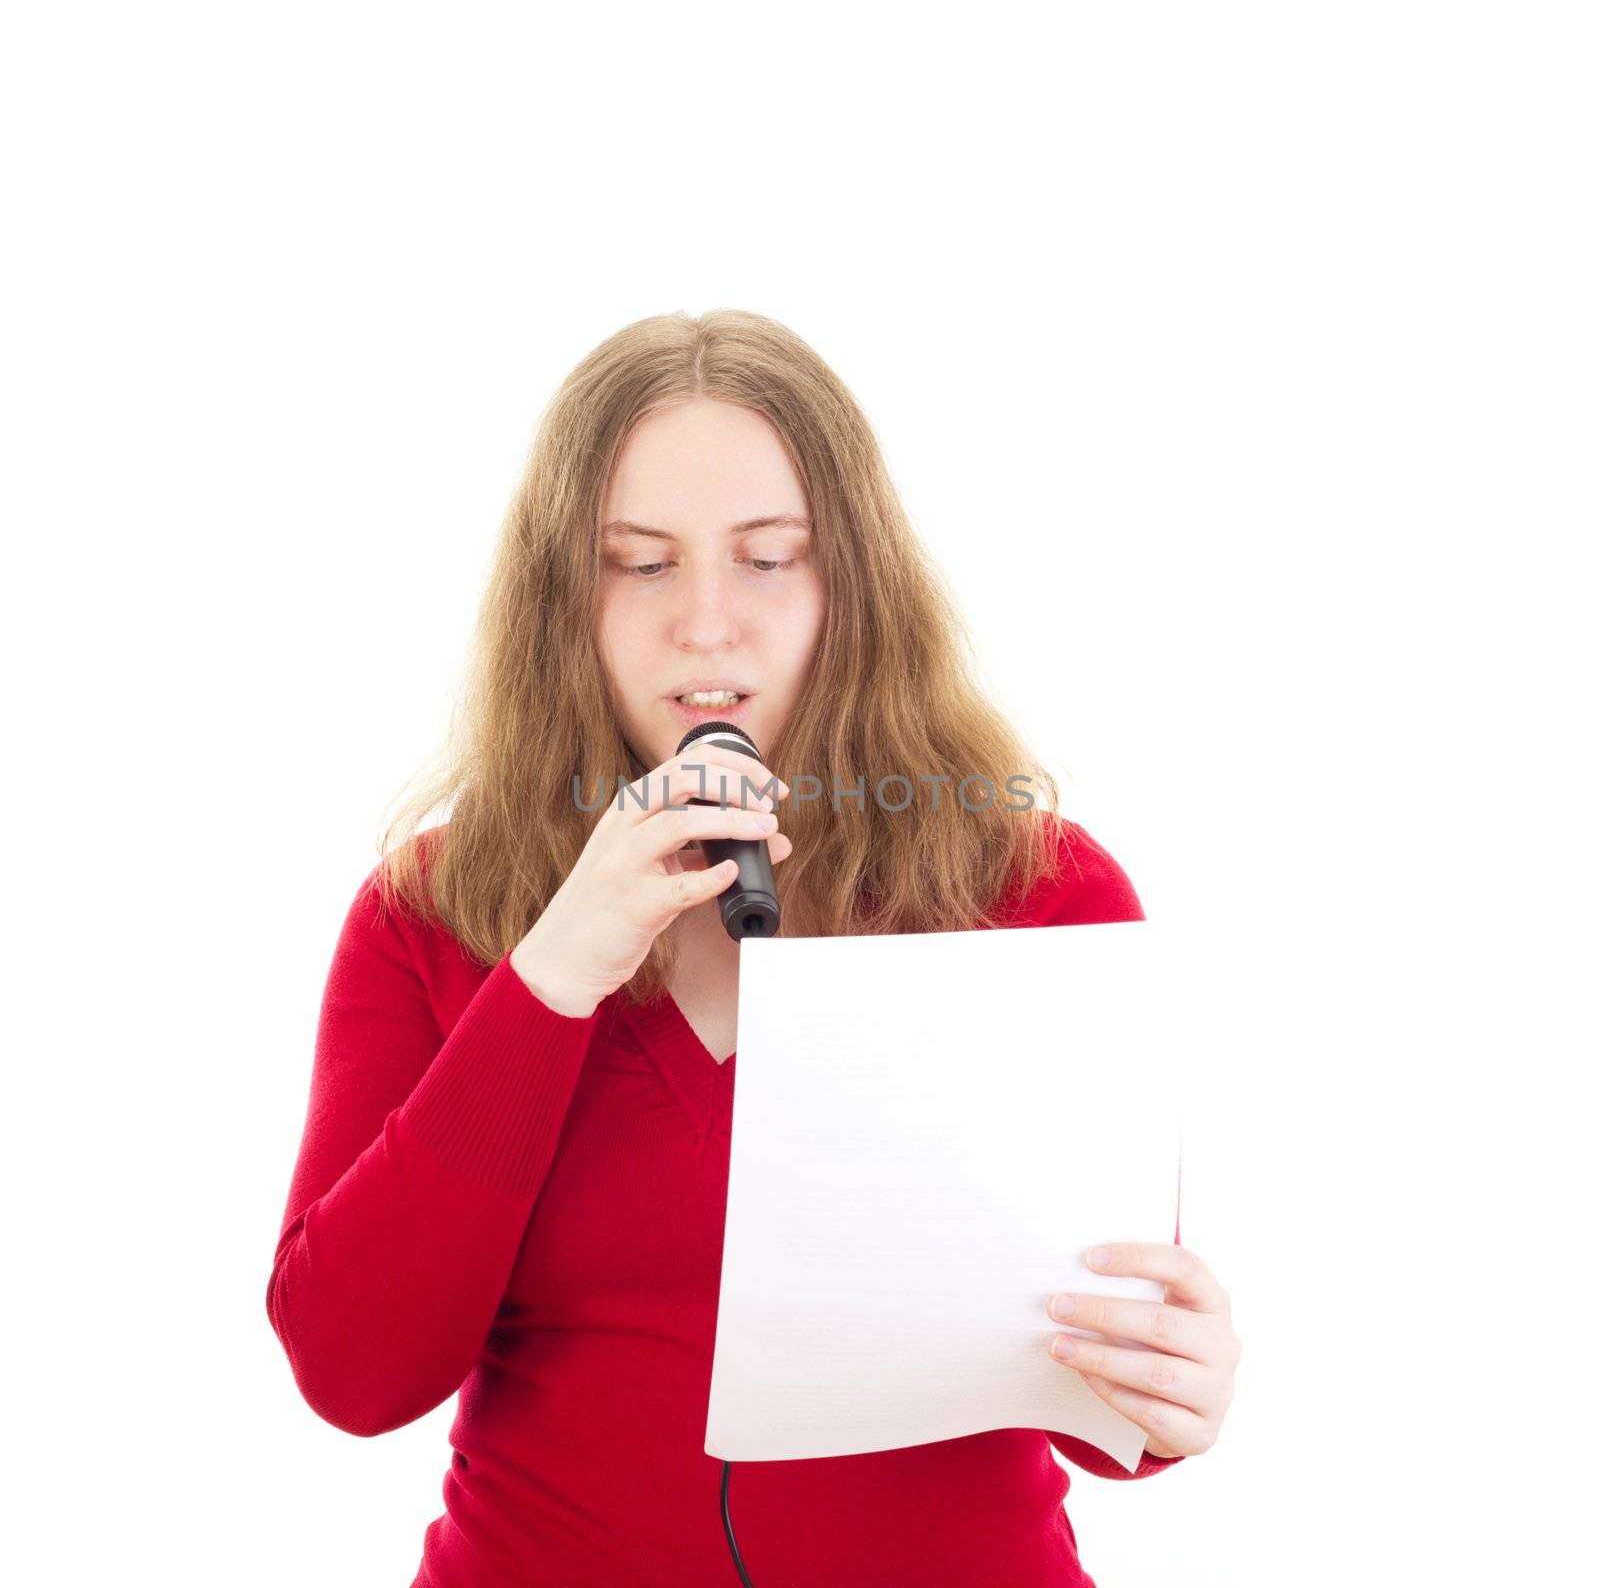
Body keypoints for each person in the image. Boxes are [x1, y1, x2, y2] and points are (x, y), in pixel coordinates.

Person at [265, 309, 1240, 1587]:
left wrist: (1172, 1395)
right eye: (640, 563)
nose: (707, 626)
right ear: (562, 595)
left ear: (853, 583)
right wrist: (553, 974)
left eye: (768, 559)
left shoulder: (1036, 890)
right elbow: (353, 1373)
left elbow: (1106, 1396)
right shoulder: (426, 912)